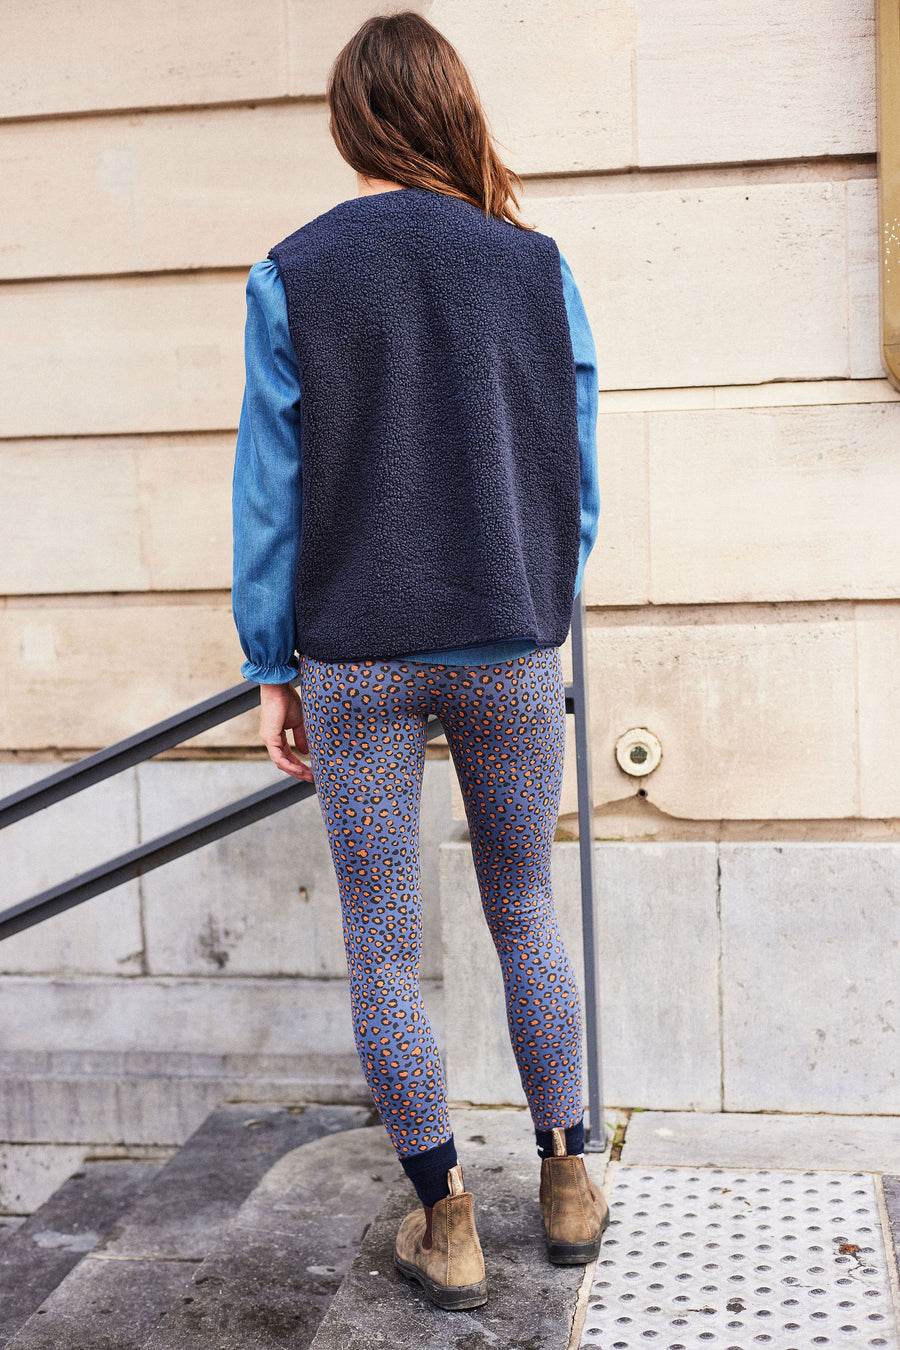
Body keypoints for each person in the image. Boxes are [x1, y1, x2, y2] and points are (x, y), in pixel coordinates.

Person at [231, 9, 606, 1312]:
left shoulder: (293, 274)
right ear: (450, 109)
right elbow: (579, 478)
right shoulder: (536, 265)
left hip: (357, 652)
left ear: (352, 125)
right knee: (526, 907)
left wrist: (270, 666)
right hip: (510, 640)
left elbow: (272, 494)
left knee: (385, 943)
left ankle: (447, 1219)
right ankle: (568, 1179)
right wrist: (539, 591)